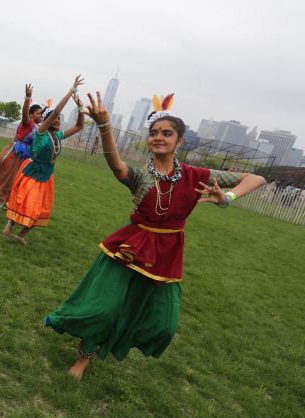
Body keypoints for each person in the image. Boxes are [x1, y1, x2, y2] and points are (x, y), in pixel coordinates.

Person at [44, 92, 266, 381]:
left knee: (163, 324)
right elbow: (115, 164)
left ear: (180, 141)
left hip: (167, 254)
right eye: (154, 133)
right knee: (103, 309)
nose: (159, 137)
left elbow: (257, 178)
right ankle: (83, 357)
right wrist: (104, 127)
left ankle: (117, 340)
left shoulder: (195, 175)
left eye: (167, 133)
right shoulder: (140, 176)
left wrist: (229, 197)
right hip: (130, 248)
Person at [3, 75, 86, 244]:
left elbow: (79, 126)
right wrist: (72, 90)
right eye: (55, 119)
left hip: (47, 176)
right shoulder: (41, 133)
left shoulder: (58, 136)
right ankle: (11, 222)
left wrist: (81, 107)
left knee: (40, 209)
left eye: (60, 120)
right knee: (27, 204)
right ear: (48, 120)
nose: (58, 121)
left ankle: (20, 235)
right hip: (32, 173)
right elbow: (55, 111)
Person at [0, 84, 44, 219]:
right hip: (14, 154)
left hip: (25, 158)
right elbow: (24, 112)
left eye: (41, 114)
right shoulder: (27, 122)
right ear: (31, 114)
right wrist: (27, 98)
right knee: (4, 180)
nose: (40, 116)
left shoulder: (39, 127)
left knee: (16, 182)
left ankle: (6, 203)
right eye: (38, 113)